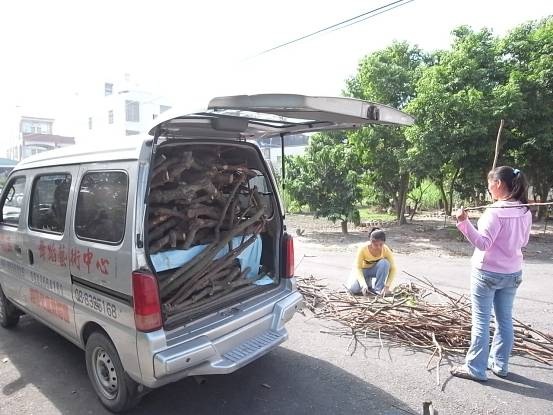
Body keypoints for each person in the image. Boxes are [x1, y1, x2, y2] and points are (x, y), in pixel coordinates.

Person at [451, 166, 532, 381]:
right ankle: (500, 364)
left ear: (498, 184)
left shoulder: (495, 211)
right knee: (505, 321)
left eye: (489, 184)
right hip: (513, 272)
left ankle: (475, 369)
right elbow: (524, 241)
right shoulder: (525, 210)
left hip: (487, 273)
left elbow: (483, 244)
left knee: (481, 321)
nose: (488, 188)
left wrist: (463, 222)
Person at [345, 228, 396, 296]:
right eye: (375, 245)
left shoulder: (386, 250)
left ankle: (378, 289)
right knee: (352, 289)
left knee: (385, 263)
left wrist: (387, 286)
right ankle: (367, 282)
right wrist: (363, 284)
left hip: (374, 270)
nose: (378, 247)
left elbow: (393, 269)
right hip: (362, 271)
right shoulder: (363, 249)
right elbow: (358, 268)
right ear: (371, 242)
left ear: (384, 243)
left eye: (381, 244)